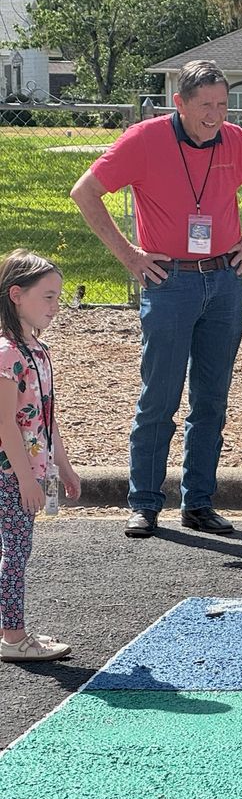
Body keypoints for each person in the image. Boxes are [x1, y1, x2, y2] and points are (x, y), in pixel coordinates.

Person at [70, 59, 242, 539]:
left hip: (225, 281)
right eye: (206, 105)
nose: (216, 115)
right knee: (159, 398)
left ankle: (198, 503)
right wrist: (130, 256)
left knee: (211, 401)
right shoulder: (145, 140)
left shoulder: (235, 140)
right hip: (170, 283)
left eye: (223, 104)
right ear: (179, 103)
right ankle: (144, 503)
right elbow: (85, 192)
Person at [0, 251, 81, 662]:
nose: (55, 306)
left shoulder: (38, 350)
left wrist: (63, 465)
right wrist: (25, 479)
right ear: (16, 295)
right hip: (10, 473)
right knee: (15, 553)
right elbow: (5, 424)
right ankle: (13, 637)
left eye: (58, 298)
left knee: (16, 550)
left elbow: (45, 417)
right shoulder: (8, 354)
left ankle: (11, 630)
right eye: (47, 297)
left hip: (26, 470)